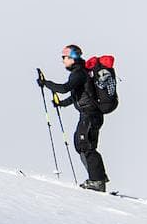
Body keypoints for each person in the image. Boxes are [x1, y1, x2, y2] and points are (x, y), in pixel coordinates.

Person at [38, 44, 110, 190]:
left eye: (64, 57)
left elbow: (65, 88)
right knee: (83, 145)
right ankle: (98, 178)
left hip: (90, 115)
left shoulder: (79, 73)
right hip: (91, 115)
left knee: (85, 146)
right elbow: (78, 95)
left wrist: (46, 83)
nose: (63, 60)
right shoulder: (82, 72)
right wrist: (62, 103)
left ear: (72, 57)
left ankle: (97, 181)